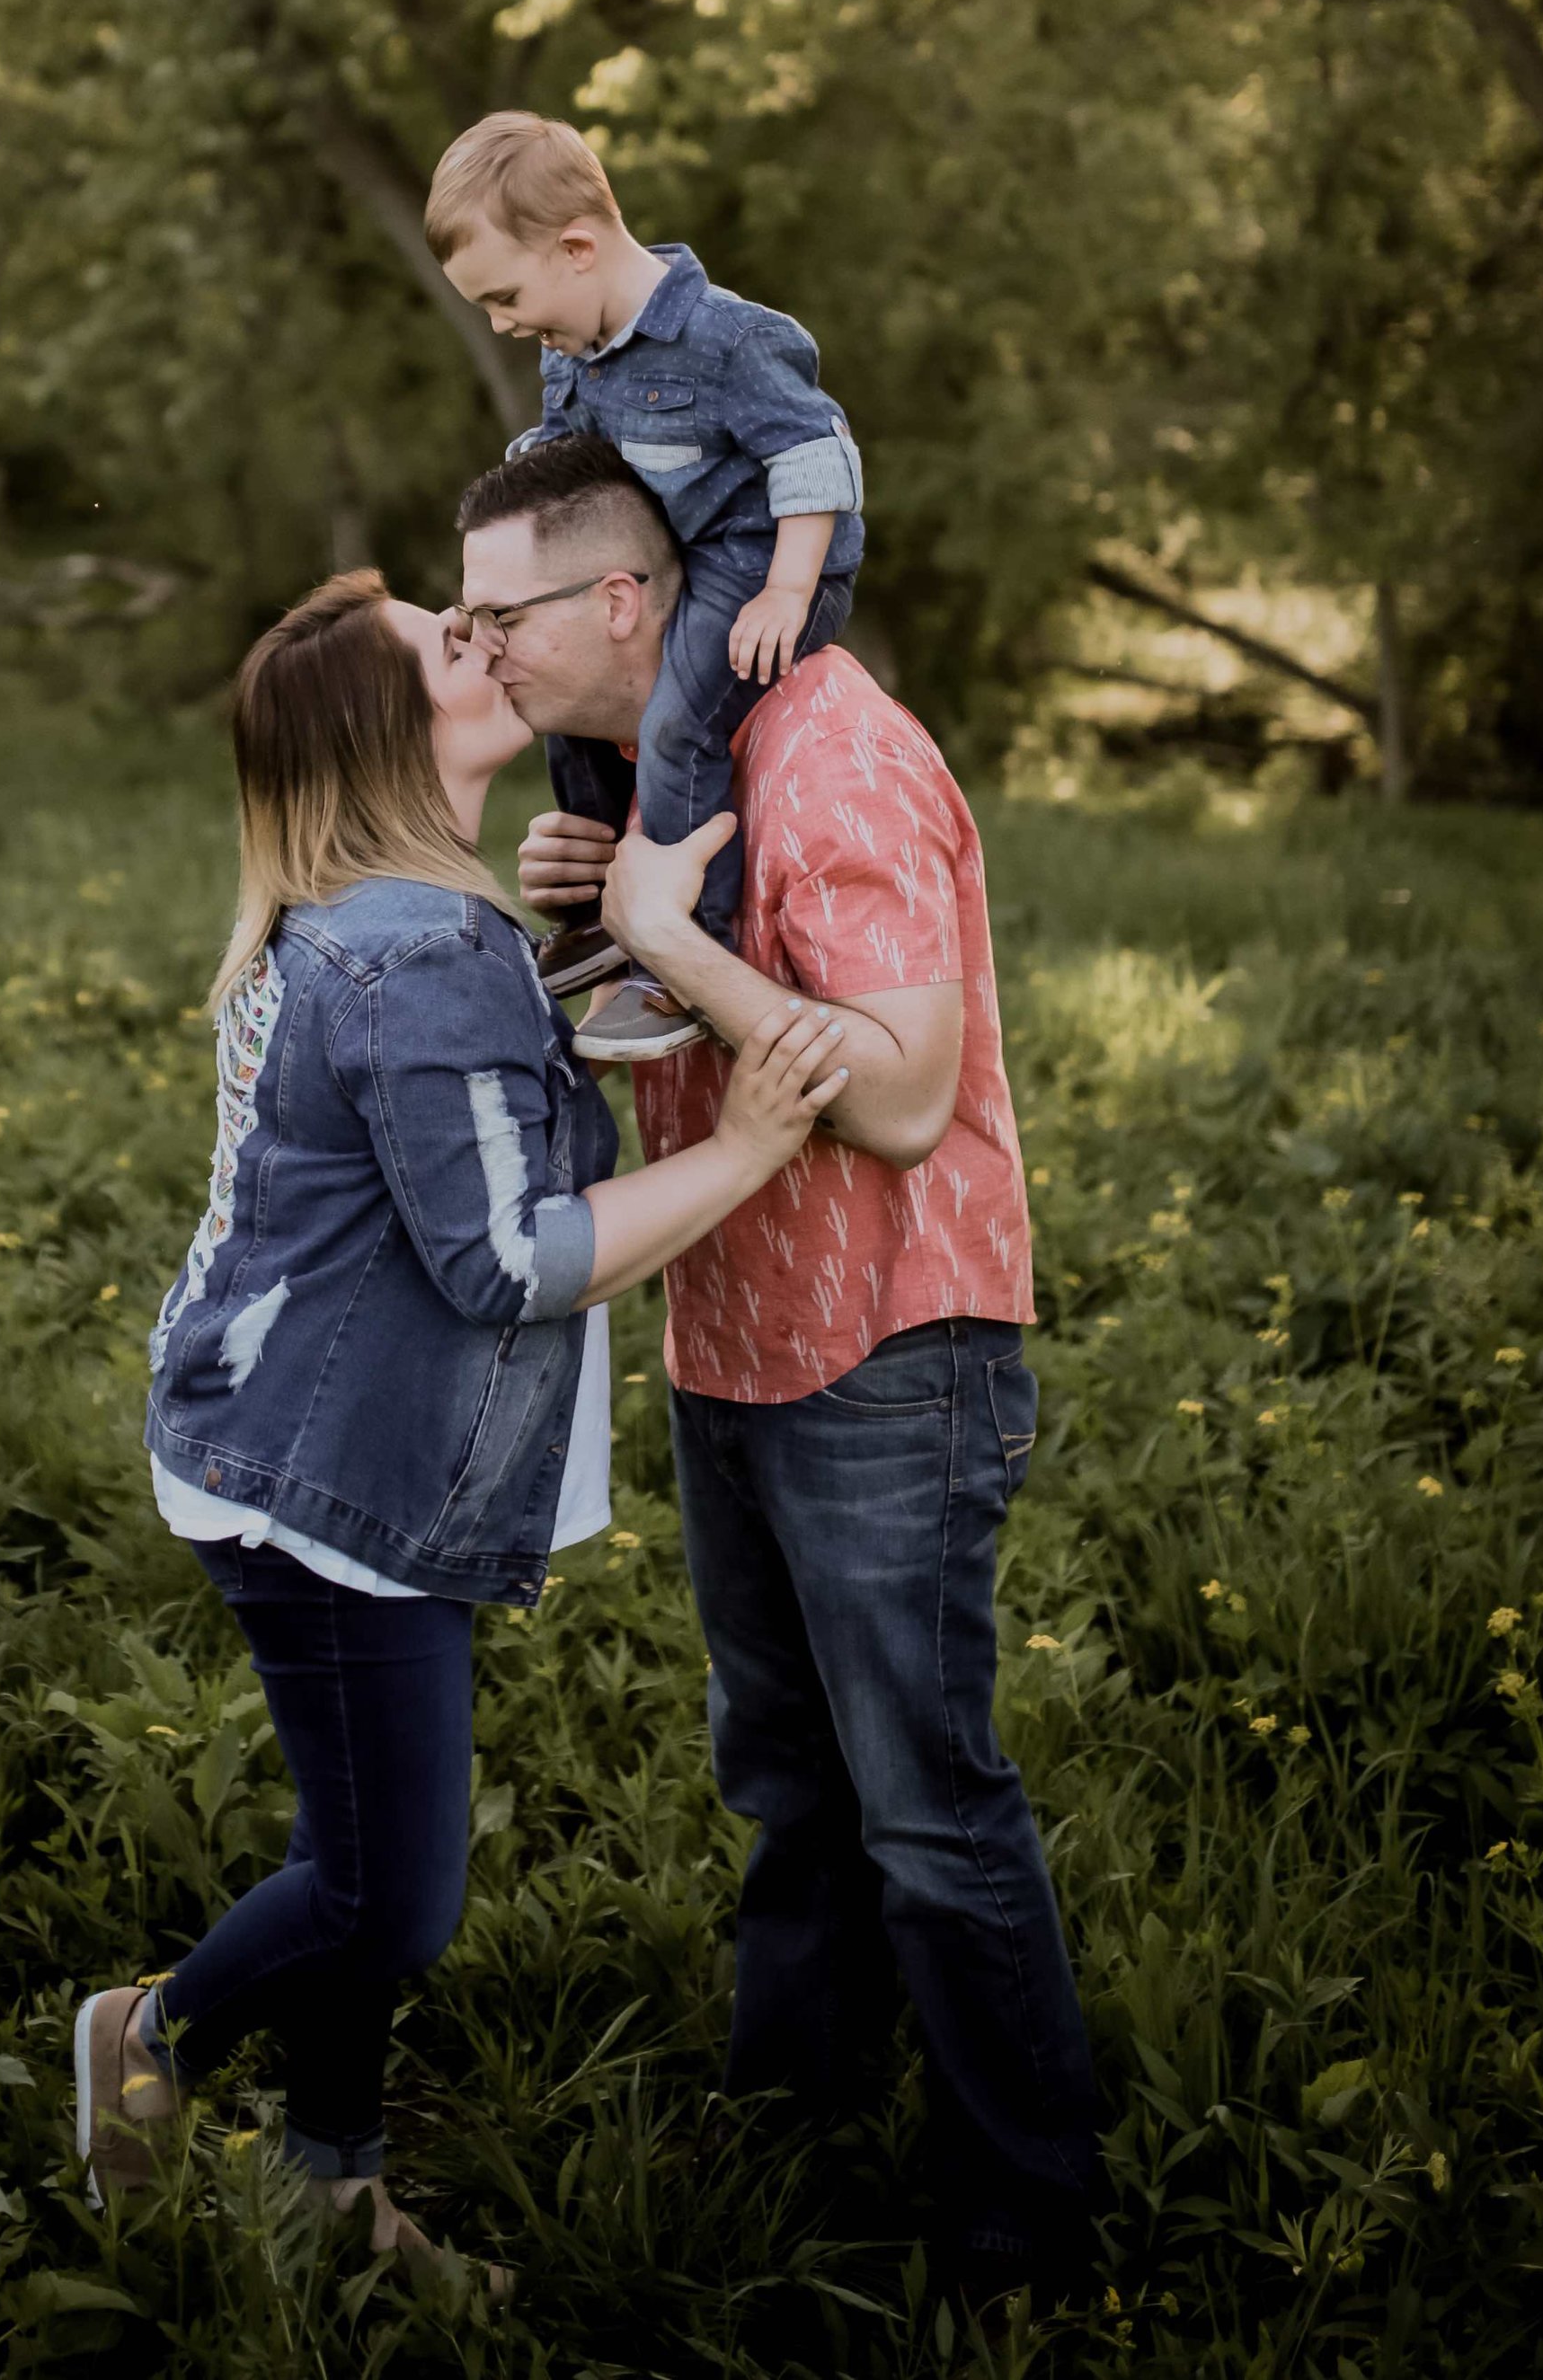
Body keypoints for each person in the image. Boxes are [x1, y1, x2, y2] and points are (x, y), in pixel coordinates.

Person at [75, 567, 850, 2277]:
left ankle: (334, 2195)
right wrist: (746, 1149)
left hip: (277, 1436)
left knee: (348, 1842)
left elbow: (474, 1105)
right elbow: (510, 1258)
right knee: (388, 1897)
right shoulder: (415, 949)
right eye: (449, 640)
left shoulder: (387, 916)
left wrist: (594, 932)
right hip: (326, 1480)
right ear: (388, 726)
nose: (483, 639)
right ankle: (153, 2042)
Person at [457, 438, 1099, 2305]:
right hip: (734, 1333)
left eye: (500, 616)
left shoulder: (831, 751)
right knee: (783, 1780)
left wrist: (663, 929)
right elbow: (683, 1022)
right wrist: (590, 916)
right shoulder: (675, 766)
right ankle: (796, 2126)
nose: (478, 650)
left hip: (890, 1352)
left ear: (622, 602)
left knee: (921, 1801)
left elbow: (895, 1095)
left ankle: (1022, 2224)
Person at [427, 110, 863, 1065]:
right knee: (567, 713)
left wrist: (788, 591)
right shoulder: (572, 349)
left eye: (504, 295)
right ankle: (597, 920)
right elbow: (571, 460)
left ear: (577, 246)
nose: (503, 323)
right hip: (677, 560)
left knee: (675, 722)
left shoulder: (729, 338)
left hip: (760, 562)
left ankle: (686, 951)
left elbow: (814, 458)